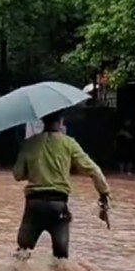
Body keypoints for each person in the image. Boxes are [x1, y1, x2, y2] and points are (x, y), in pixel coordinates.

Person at [13, 111, 110, 259]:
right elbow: (94, 170)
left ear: (43, 121)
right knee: (61, 257)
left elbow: (18, 174)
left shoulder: (29, 143)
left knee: (23, 251)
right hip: (58, 205)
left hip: (34, 205)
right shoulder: (69, 143)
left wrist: (33, 168)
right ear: (61, 121)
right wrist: (104, 193)